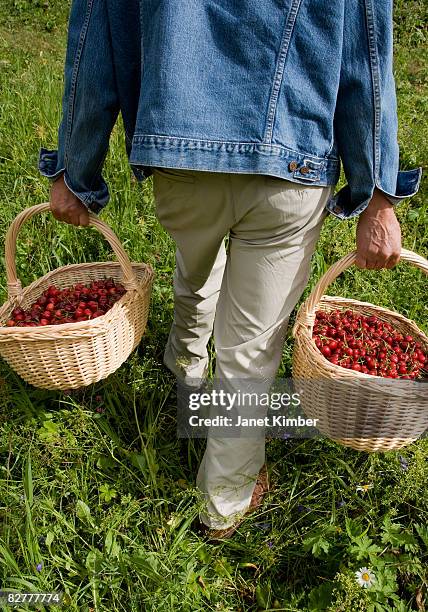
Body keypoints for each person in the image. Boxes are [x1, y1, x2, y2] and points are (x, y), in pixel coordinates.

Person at [39, 0, 421, 539]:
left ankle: (185, 365)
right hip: (290, 161)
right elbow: (368, 50)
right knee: (250, 348)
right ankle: (224, 499)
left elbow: (95, 40)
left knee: (195, 263)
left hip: (180, 158)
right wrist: (378, 192)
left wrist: (75, 170)